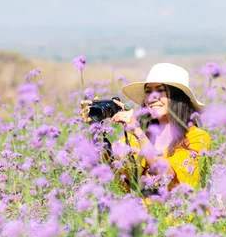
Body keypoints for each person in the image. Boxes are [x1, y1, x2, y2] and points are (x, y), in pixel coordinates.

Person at [80, 63, 212, 199]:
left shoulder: (197, 137)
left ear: (178, 97)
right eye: (148, 91)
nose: (152, 97)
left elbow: (167, 175)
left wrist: (137, 131)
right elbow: (111, 172)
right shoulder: (136, 137)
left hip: (184, 218)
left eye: (160, 90)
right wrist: (95, 128)